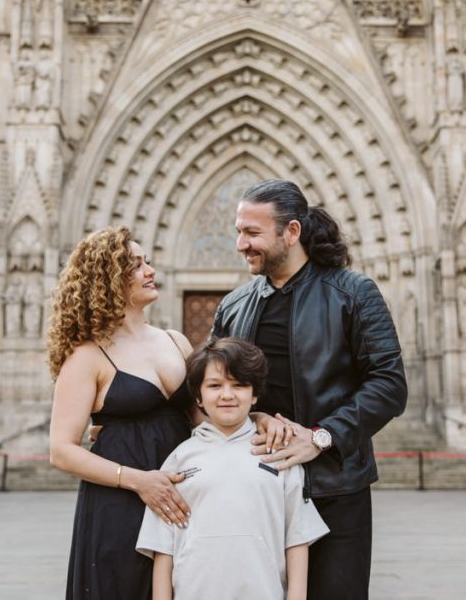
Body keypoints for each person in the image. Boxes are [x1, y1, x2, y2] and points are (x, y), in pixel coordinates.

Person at [211, 179, 408, 600]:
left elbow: (390, 384)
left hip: (334, 486)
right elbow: (209, 390)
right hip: (255, 486)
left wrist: (322, 437)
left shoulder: (353, 293)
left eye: (252, 233)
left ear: (292, 232)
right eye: (238, 232)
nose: (241, 244)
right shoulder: (234, 305)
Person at [47, 226, 194, 600]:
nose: (150, 271)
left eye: (148, 262)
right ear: (108, 278)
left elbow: (205, 415)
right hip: (121, 503)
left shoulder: (176, 341)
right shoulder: (87, 356)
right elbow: (61, 450)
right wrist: (138, 481)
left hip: (181, 498)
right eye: (136, 264)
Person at [136, 337, 328, 600]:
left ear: (255, 394)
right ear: (198, 397)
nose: (227, 395)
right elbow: (162, 548)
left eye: (239, 385)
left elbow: (297, 538)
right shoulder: (179, 460)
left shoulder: (279, 456)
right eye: (214, 385)